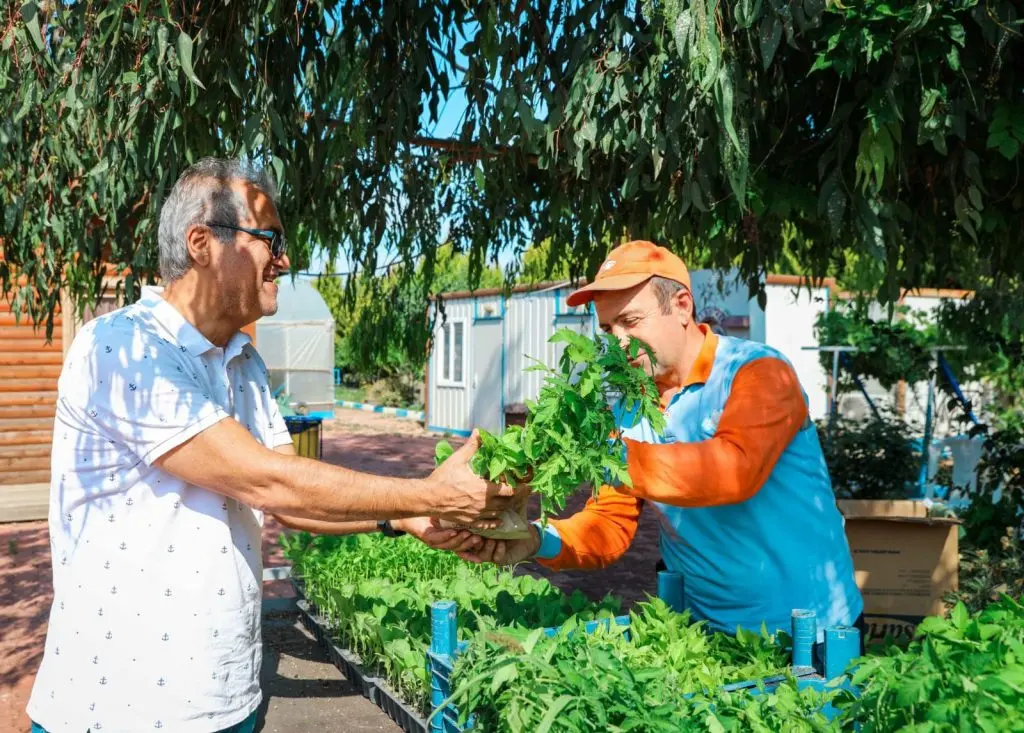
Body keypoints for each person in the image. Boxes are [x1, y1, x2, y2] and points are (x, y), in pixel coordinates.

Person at [27, 158, 508, 733]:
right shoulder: (123, 346)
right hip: (119, 713)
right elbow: (264, 478)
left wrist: (405, 519)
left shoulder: (243, 361)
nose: (285, 260)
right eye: (270, 239)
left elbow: (284, 501)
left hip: (226, 702)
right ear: (201, 243)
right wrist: (430, 493)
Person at [459, 240, 864, 643]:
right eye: (607, 328)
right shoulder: (630, 410)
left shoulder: (759, 373)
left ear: (683, 306)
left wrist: (597, 451)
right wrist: (533, 540)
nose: (618, 342)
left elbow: (734, 470)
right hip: (701, 633)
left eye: (631, 322)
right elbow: (608, 523)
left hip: (810, 635)